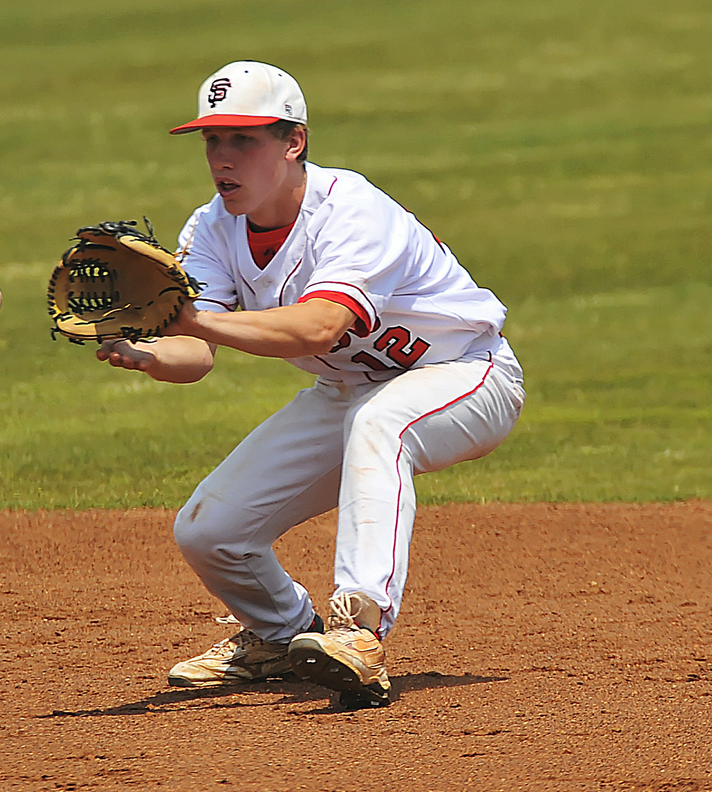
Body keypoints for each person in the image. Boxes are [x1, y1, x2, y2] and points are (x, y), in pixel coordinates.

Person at [96, 61, 525, 707]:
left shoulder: (350, 208)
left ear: (293, 141)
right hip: (351, 390)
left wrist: (189, 317)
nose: (223, 157)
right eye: (213, 139)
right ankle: (281, 636)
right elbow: (197, 351)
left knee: (382, 424)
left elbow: (320, 327)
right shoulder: (211, 228)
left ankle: (360, 631)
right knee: (210, 532)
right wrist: (151, 351)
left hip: (466, 373)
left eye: (244, 138)